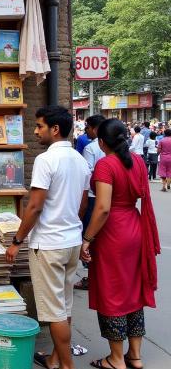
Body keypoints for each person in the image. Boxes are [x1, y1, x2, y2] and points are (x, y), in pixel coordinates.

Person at [6, 106, 90, 369]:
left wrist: (17, 241)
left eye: (40, 126)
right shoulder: (80, 160)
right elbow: (82, 204)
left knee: (53, 310)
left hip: (50, 244)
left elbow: (35, 206)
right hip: (71, 241)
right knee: (64, 304)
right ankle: (55, 358)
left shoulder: (45, 160)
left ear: (55, 129)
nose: (35, 131)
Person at [81, 119, 160, 369]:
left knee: (111, 291)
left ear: (102, 142)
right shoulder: (137, 161)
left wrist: (87, 239)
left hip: (112, 233)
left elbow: (102, 208)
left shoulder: (106, 165)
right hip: (134, 228)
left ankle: (116, 358)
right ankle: (134, 355)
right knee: (133, 291)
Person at [74, 114, 105, 291]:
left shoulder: (91, 148)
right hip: (108, 199)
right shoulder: (118, 150)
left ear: (94, 128)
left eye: (88, 128)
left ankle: (91, 276)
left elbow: (87, 174)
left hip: (93, 197)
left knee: (90, 237)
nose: (86, 131)